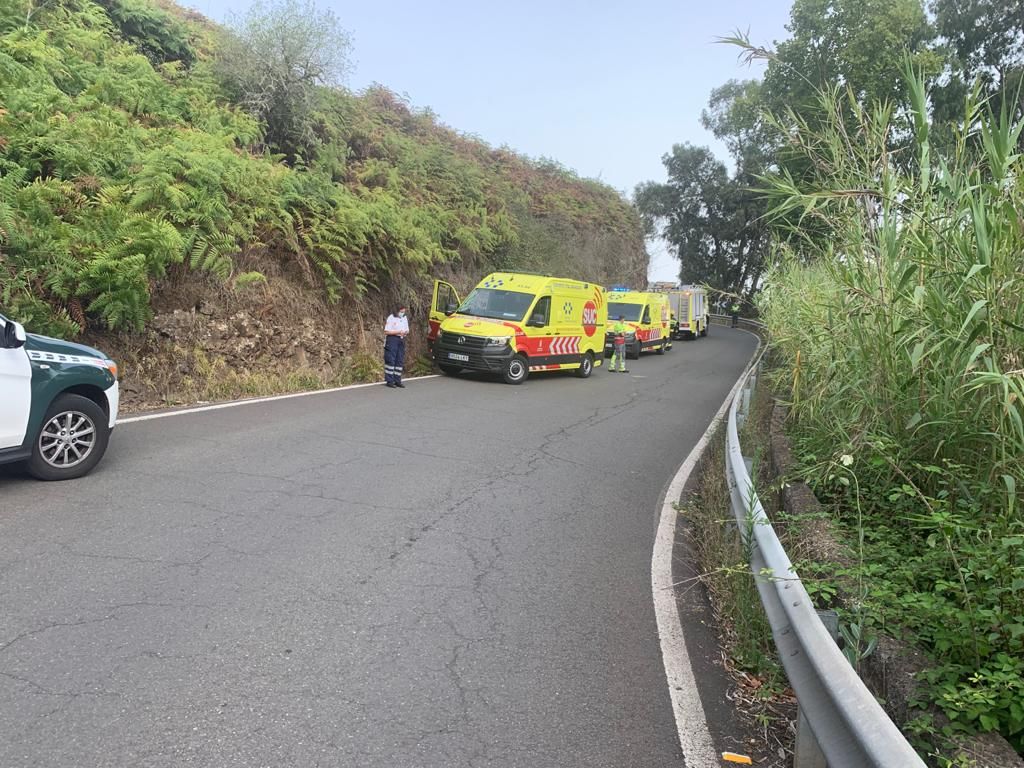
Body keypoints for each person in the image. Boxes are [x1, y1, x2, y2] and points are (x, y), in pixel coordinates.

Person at [384, 305, 409, 388]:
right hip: (392, 340)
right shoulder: (391, 318)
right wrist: (397, 332)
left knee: (399, 360)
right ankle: (389, 381)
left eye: (404, 312)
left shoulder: (404, 318)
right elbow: (386, 331)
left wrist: (405, 332)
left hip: (401, 340)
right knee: (391, 359)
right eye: (401, 311)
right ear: (397, 310)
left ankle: (397, 380)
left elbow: (407, 329)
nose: (402, 313)